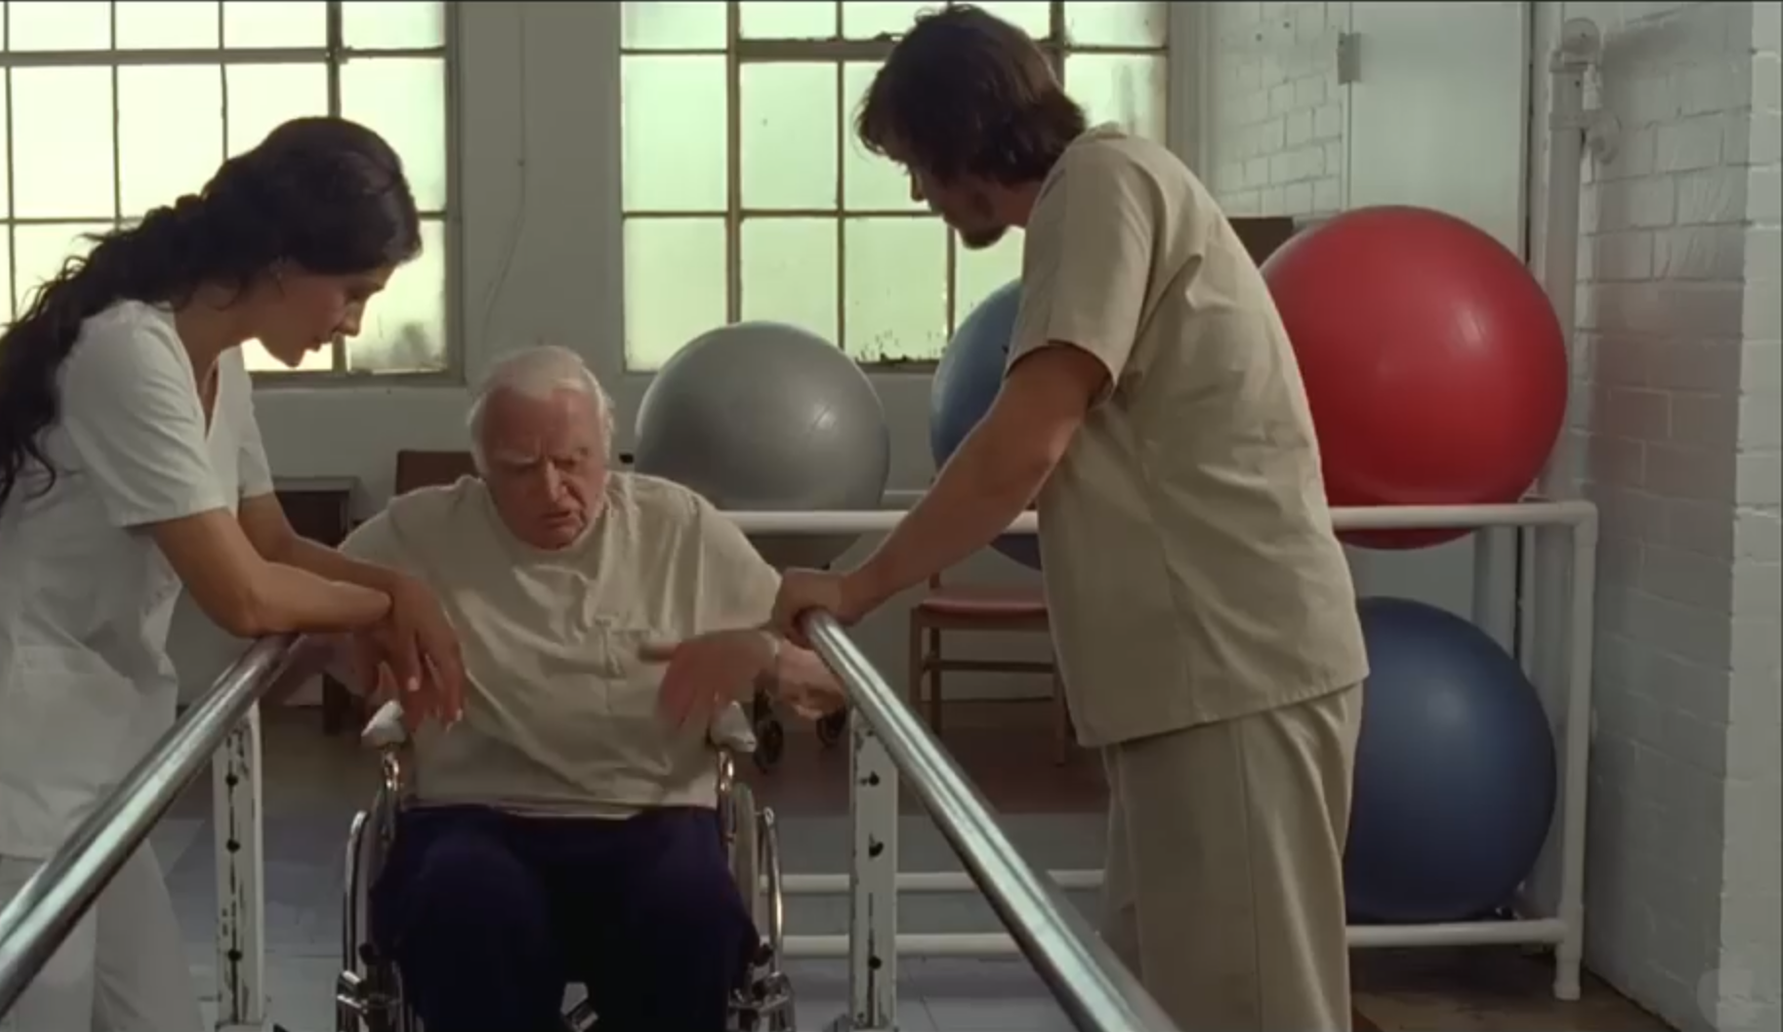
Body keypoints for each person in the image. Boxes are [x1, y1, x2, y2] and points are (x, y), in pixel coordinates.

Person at [679, 7, 1374, 1032]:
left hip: (1232, 668)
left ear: (963, 133)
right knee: (1152, 998)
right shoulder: (1094, 202)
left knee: (1249, 1007)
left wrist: (859, 583)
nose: (916, 191)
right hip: (1182, 682)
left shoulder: (1101, 184)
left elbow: (1027, 440)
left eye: (915, 159)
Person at [0, 117, 466, 1032]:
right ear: (284, 261)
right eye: (352, 292)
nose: (353, 323)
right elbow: (244, 594)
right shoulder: (127, 352)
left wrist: (387, 599)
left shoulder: (216, 359)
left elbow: (273, 543)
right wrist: (394, 598)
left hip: (93, 769)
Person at [332, 345, 844, 1032]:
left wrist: (763, 656)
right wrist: (366, 639)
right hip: (474, 815)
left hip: (652, 816)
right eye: (520, 469)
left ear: (609, 451)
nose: (552, 489)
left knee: (692, 913)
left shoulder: (679, 528)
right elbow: (300, 617)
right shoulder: (421, 530)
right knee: (460, 903)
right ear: (481, 471)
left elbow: (839, 680)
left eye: (573, 462)